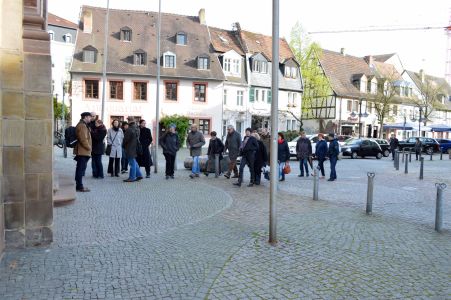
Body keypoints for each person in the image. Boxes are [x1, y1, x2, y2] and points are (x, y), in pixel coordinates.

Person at [74, 112, 92, 192]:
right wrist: (89, 148)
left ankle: (79, 185)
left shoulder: (83, 125)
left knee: (80, 168)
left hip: (83, 151)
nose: (90, 118)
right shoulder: (82, 125)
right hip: (83, 151)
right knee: (80, 169)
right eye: (89, 117)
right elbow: (83, 139)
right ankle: (79, 186)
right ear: (85, 117)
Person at [123, 117, 143, 182]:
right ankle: (139, 175)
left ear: (129, 121)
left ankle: (132, 177)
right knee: (134, 162)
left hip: (130, 148)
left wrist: (123, 145)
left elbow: (125, 140)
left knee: (132, 163)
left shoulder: (129, 129)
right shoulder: (137, 128)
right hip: (135, 148)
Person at [89, 112, 98, 176]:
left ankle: (95, 172)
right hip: (88, 143)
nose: (92, 117)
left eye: (93, 116)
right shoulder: (88, 123)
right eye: (91, 116)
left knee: (95, 160)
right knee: (85, 159)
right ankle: (82, 172)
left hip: (95, 144)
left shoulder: (97, 123)